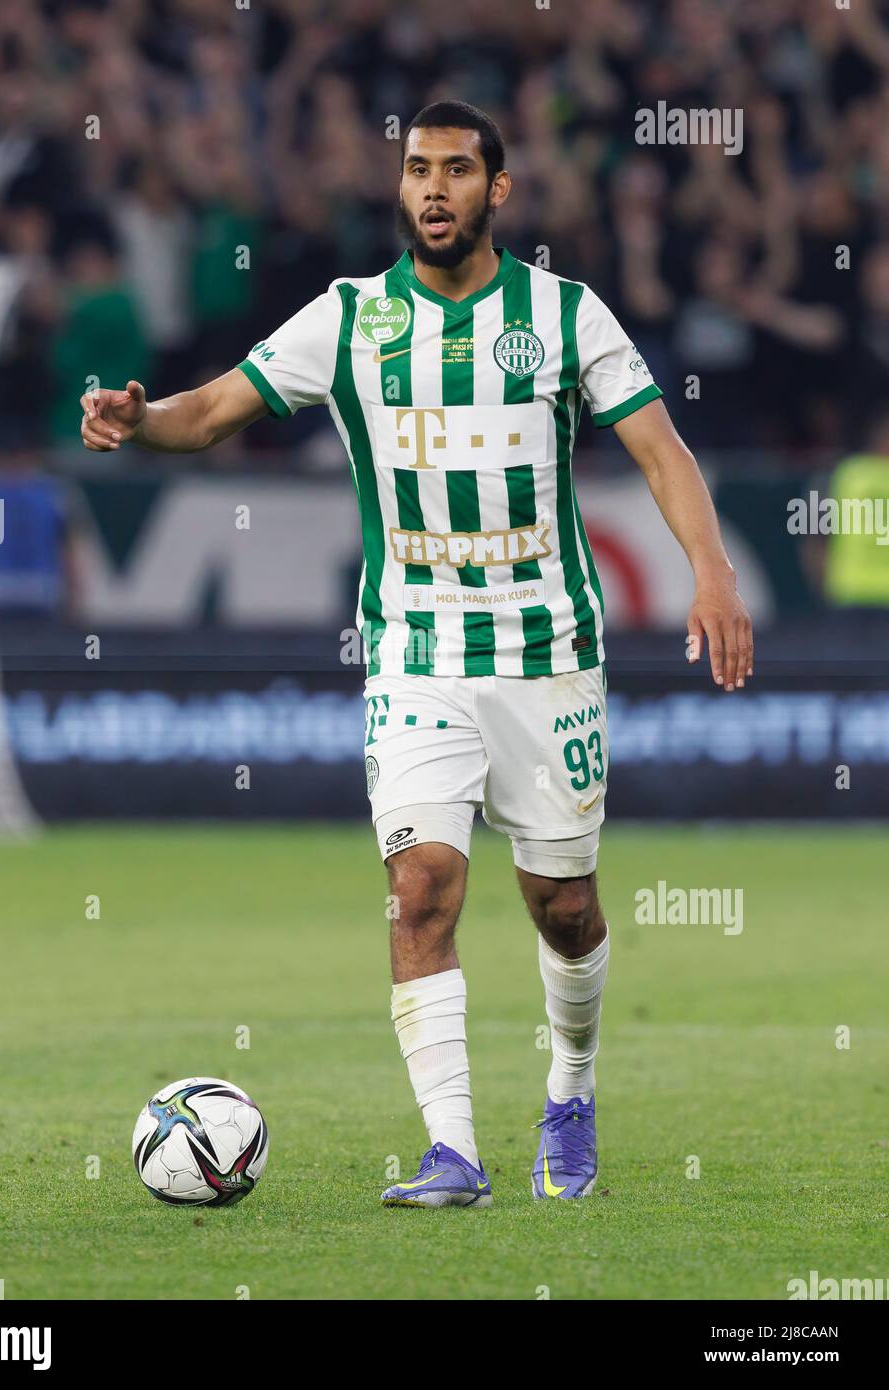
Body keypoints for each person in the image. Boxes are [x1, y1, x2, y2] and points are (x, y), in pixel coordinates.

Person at [79, 100, 753, 1208]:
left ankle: (569, 1090)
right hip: (413, 657)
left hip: (547, 656)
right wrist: (137, 413)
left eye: (453, 170)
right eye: (414, 170)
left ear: (498, 191)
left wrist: (711, 569)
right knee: (420, 889)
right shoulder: (348, 319)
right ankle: (453, 1154)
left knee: (563, 908)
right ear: (399, 189)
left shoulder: (562, 314)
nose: (430, 189)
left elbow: (658, 447)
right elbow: (206, 416)